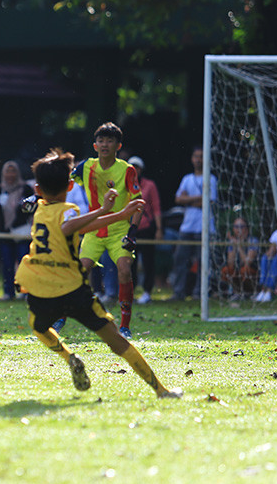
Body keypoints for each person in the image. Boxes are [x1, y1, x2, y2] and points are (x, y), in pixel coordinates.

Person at [14, 149, 181, 399]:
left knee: (38, 327)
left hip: (40, 286)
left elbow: (74, 225)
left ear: (38, 190)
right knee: (116, 341)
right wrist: (108, 210)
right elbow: (70, 225)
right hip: (73, 289)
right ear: (70, 186)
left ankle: (69, 357)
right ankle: (161, 390)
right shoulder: (68, 209)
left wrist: (117, 214)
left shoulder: (39, 208)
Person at [57, 122, 142, 339]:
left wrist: (132, 233)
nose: (105, 144)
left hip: (118, 229)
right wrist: (40, 196)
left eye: (110, 141)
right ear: (95, 145)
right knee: (79, 271)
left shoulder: (127, 170)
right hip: (94, 230)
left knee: (124, 269)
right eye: (101, 140)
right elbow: (60, 182)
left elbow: (138, 203)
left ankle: (125, 326)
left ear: (118, 146)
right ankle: (60, 318)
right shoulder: (85, 167)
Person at [168, 146, 217, 303]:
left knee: (203, 262)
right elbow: (178, 199)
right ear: (192, 158)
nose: (198, 159)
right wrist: (198, 198)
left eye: (201, 156)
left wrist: (188, 199)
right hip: (187, 227)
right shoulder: (187, 179)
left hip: (205, 227)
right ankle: (179, 292)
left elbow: (209, 201)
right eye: (196, 156)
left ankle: (199, 293)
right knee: (180, 259)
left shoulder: (211, 179)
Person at [0, 160, 34, 301]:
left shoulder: (26, 189)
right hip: (5, 232)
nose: (10, 174)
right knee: (7, 263)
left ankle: (24, 291)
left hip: (22, 232)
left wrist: (20, 206)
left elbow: (30, 210)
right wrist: (0, 202)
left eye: (13, 171)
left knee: (24, 262)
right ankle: (8, 292)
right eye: (7, 171)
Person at [126, 156, 163, 304]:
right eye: (132, 167)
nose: (135, 170)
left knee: (148, 261)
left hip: (146, 228)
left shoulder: (150, 185)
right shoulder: (124, 185)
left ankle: (147, 291)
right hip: (129, 229)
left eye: (137, 167)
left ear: (141, 169)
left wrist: (159, 229)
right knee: (130, 262)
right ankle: (131, 292)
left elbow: (156, 208)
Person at [220, 216, 259, 300]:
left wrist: (239, 246)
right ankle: (237, 291)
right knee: (226, 270)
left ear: (247, 228)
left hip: (252, 273)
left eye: (241, 227)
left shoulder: (253, 241)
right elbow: (230, 263)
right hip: (238, 273)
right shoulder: (232, 242)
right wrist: (234, 246)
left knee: (245, 270)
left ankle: (251, 292)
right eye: (236, 227)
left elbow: (247, 262)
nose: (239, 229)